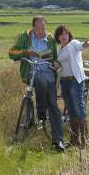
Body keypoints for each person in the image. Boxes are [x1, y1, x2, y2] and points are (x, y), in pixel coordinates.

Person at [9, 16, 65, 151]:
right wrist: (26, 52)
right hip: (31, 71)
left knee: (53, 106)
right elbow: (11, 53)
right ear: (33, 27)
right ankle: (40, 112)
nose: (41, 31)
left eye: (43, 28)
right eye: (39, 28)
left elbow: (55, 58)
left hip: (48, 72)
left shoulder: (50, 38)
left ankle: (58, 141)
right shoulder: (24, 37)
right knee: (40, 80)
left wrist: (57, 63)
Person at [54, 25, 89, 149]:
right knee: (70, 110)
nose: (64, 36)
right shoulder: (60, 51)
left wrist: (86, 44)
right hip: (65, 82)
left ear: (69, 35)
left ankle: (86, 140)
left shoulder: (74, 44)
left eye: (66, 34)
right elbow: (59, 66)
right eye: (61, 34)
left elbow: (82, 45)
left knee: (79, 108)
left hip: (76, 81)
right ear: (58, 37)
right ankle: (74, 140)